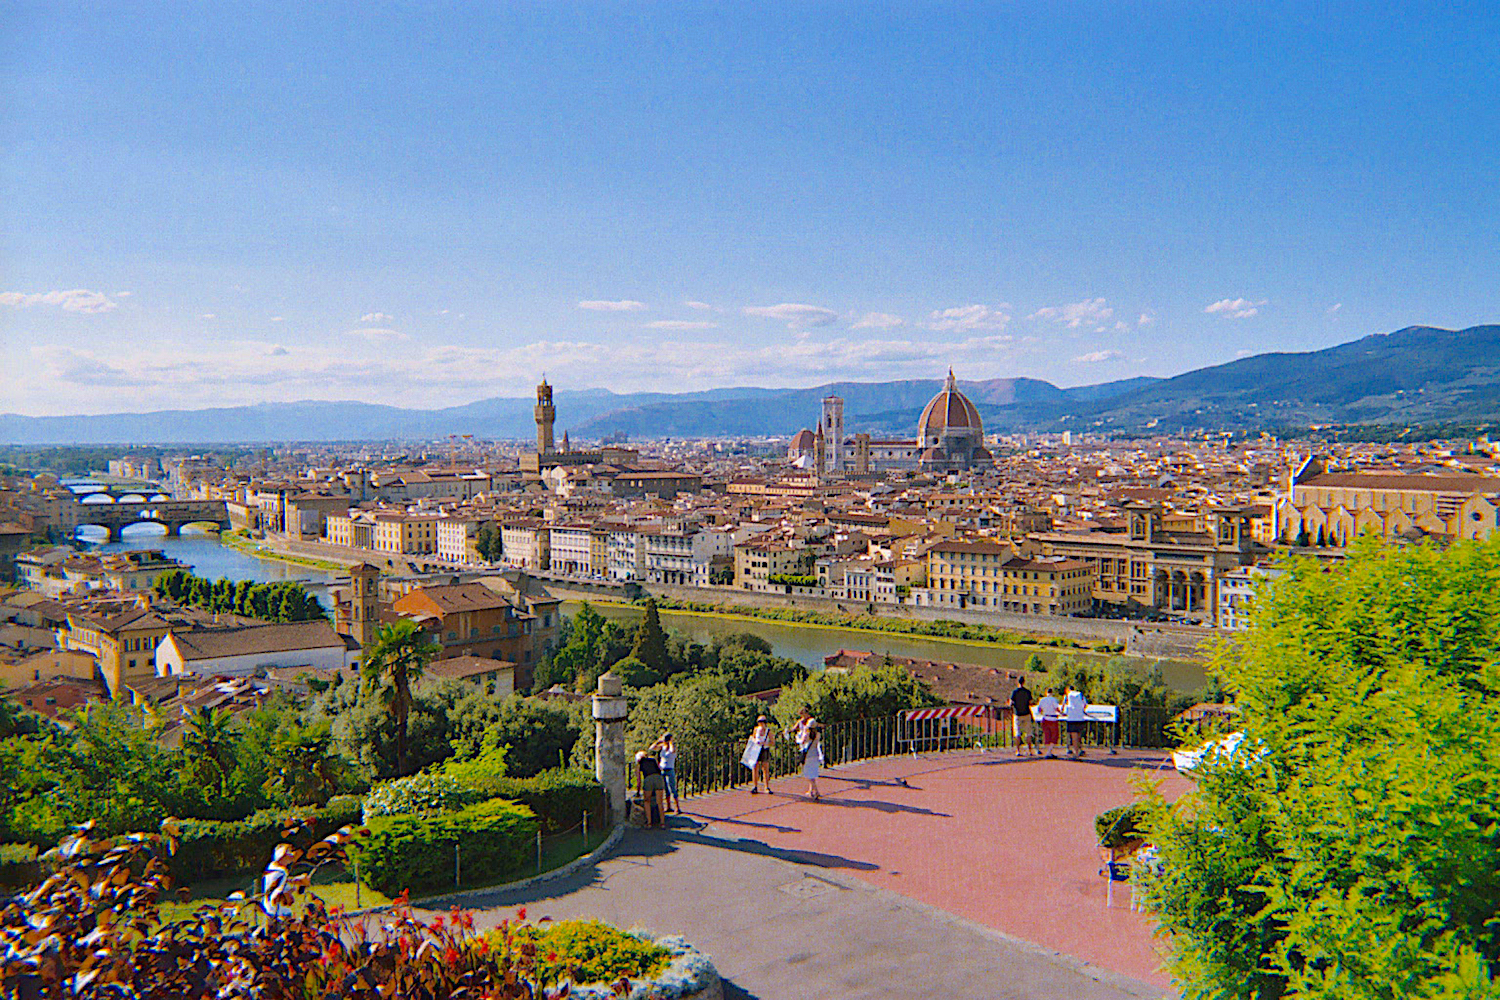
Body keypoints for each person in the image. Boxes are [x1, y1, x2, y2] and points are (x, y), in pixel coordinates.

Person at [635, 750, 666, 827]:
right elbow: (660, 768)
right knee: (660, 802)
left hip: (648, 778)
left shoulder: (639, 764)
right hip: (658, 778)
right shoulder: (653, 760)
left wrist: (638, 792)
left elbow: (638, 780)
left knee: (647, 801)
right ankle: (662, 822)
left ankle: (649, 823)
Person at [746, 715, 775, 794]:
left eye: (762, 722)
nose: (761, 724)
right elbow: (753, 738)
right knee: (755, 768)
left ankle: (767, 786)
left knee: (765, 768)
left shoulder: (768, 731)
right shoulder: (756, 730)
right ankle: (755, 786)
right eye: (760, 722)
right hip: (756, 749)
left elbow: (773, 742)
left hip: (764, 749)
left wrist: (765, 743)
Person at [1009, 676, 1036, 756]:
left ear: (1017, 682)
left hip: (1017, 714)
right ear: (1024, 682)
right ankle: (1030, 750)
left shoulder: (1015, 692)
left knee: (1017, 733)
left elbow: (1011, 703)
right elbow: (1031, 702)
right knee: (1028, 733)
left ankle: (1018, 751)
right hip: (1026, 713)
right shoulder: (1027, 692)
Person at [654, 732, 680, 813]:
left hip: (670, 769)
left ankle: (677, 807)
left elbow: (672, 751)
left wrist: (671, 742)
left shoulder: (673, 748)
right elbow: (652, 748)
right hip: (662, 770)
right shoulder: (663, 747)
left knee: (672, 788)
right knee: (665, 789)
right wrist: (659, 741)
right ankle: (668, 806)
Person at [1063, 684, 1089, 758]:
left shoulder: (1067, 696)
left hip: (1072, 718)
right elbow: (1085, 704)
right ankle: (1080, 750)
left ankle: (1076, 753)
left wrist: (1066, 712)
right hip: (1080, 717)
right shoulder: (1080, 695)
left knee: (1074, 736)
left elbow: (1064, 707)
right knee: (1079, 735)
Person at [1036, 686, 1062, 759]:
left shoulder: (1042, 700)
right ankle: (1049, 752)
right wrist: (1061, 713)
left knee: (1047, 735)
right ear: (1052, 693)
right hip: (1053, 718)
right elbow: (1057, 709)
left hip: (1045, 718)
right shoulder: (1054, 700)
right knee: (1054, 736)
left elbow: (1039, 709)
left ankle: (1049, 752)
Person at [802, 721, 824, 801]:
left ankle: (816, 791)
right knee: (813, 773)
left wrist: (804, 732)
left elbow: (802, 741)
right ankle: (811, 790)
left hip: (808, 755)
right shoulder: (818, 734)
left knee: (808, 774)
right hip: (815, 755)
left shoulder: (807, 734)